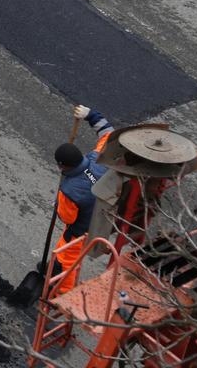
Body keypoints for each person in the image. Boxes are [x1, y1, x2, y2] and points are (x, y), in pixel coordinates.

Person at [52, 104, 115, 296]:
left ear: (63, 166)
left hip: (82, 232)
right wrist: (90, 115)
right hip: (108, 218)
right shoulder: (98, 157)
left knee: (65, 260)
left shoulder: (69, 190)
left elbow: (67, 218)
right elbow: (109, 134)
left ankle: (62, 295)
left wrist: (59, 201)